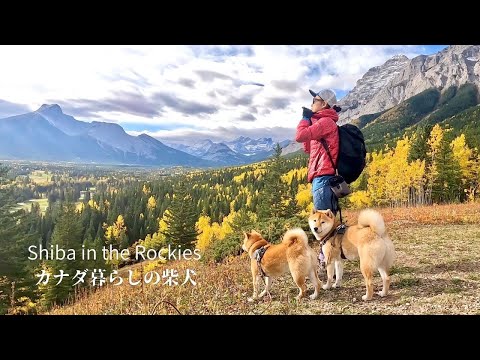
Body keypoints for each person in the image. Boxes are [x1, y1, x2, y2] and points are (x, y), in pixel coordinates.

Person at [295, 89, 342, 216]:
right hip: (321, 177)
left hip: (323, 178)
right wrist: (311, 121)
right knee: (327, 224)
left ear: (324, 104)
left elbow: (299, 135)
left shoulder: (325, 122)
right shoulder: (323, 122)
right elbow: (307, 148)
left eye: (314, 100)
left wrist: (305, 119)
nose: (311, 104)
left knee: (325, 226)